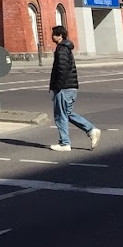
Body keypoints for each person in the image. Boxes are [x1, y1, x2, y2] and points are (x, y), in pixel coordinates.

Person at [49, 24, 100, 152]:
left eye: (53, 34)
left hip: (64, 88)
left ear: (59, 36)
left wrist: (58, 86)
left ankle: (64, 143)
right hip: (71, 87)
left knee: (60, 115)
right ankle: (91, 130)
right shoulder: (66, 48)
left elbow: (62, 69)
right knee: (68, 113)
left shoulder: (61, 49)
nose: (51, 37)